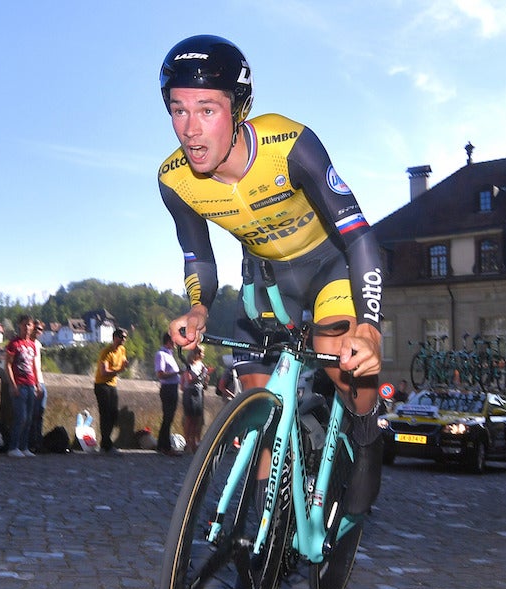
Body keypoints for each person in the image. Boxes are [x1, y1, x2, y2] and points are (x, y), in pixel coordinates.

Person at [158, 35, 385, 516]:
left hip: (328, 269)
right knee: (258, 406)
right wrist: (198, 307)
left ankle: (366, 434)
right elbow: (197, 255)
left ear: (238, 109)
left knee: (339, 361)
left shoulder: (290, 144)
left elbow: (359, 235)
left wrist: (369, 325)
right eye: (178, 110)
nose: (190, 130)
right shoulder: (174, 180)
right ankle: (260, 528)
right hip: (266, 282)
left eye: (207, 110)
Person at [4, 315, 40, 458]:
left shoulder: (31, 344)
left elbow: (34, 366)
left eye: (29, 325)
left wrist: (37, 384)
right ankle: (13, 447)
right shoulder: (14, 344)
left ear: (32, 327)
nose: (26, 328)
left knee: (29, 417)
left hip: (31, 384)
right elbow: (7, 364)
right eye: (24, 325)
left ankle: (24, 447)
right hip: (19, 384)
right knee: (21, 417)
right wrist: (13, 384)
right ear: (19, 325)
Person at [94, 328, 129, 454]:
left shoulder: (122, 350)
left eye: (125, 337)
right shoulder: (106, 352)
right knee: (105, 415)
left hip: (112, 384)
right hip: (101, 384)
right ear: (115, 337)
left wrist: (124, 365)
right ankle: (106, 444)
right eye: (121, 337)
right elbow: (103, 372)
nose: (123, 340)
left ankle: (106, 443)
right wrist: (120, 370)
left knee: (114, 414)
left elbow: (123, 361)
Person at [154, 332, 183, 456]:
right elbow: (160, 374)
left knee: (169, 418)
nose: (176, 343)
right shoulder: (161, 355)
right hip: (167, 388)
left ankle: (163, 445)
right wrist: (176, 373)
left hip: (173, 387)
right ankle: (165, 446)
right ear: (168, 341)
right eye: (174, 341)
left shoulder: (170, 355)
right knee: (167, 417)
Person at [181, 345, 209, 453]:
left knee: (197, 418)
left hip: (199, 392)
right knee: (189, 418)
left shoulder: (202, 365)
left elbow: (203, 383)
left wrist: (205, 379)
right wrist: (201, 374)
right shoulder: (188, 366)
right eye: (201, 352)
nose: (203, 355)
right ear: (196, 353)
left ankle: (195, 441)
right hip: (190, 393)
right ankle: (188, 441)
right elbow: (189, 380)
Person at [28, 318, 47, 453]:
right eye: (36, 328)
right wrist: (35, 384)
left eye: (40, 329)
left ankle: (38, 442)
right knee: (32, 415)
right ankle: (31, 443)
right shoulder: (27, 343)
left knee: (39, 414)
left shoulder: (38, 344)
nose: (37, 331)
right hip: (32, 383)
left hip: (41, 381)